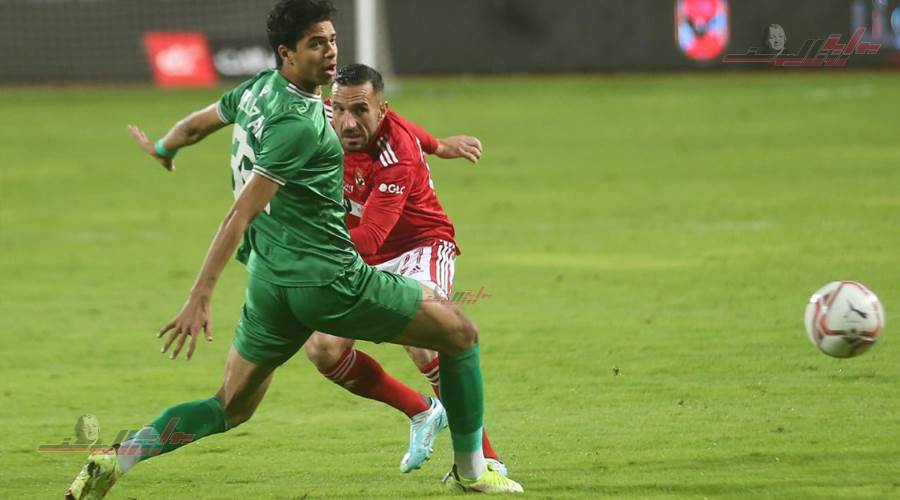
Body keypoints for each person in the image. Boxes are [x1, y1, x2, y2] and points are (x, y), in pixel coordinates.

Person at [64, 0, 523, 497]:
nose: (331, 53)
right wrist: (200, 294)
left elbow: (195, 126)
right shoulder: (301, 124)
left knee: (229, 406)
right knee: (459, 334)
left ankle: (120, 457)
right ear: (287, 53)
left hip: (268, 283)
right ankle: (474, 470)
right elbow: (239, 214)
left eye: (332, 41)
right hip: (330, 280)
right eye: (316, 44)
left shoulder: (256, 90)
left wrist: (164, 148)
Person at [303, 63, 507, 477]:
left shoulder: (396, 155)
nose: (347, 121)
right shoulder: (331, 114)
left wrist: (304, 250)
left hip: (418, 245)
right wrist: (440, 145)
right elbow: (401, 124)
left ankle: (485, 461)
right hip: (358, 251)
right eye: (340, 109)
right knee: (323, 349)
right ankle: (422, 411)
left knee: (426, 336)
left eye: (360, 110)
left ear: (381, 109)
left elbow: (372, 236)